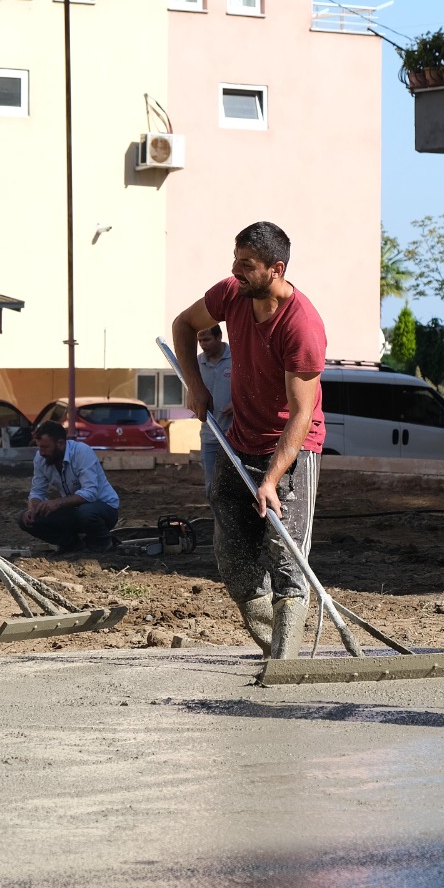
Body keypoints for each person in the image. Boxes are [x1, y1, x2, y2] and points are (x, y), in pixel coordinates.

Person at [171, 221, 327, 659]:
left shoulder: (302, 327)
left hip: (291, 449)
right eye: (234, 261)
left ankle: (286, 660)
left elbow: (301, 415)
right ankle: (273, 649)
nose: (235, 271)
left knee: (285, 555)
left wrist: (272, 478)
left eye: (247, 265)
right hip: (238, 440)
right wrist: (195, 384)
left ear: (276, 269)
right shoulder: (231, 293)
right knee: (233, 552)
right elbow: (183, 324)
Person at [17, 420, 120, 554]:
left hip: (103, 509)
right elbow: (37, 491)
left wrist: (57, 503)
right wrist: (32, 509)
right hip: (74, 511)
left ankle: (103, 542)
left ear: (60, 443)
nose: (41, 452)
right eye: (39, 447)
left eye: (45, 447)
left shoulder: (82, 452)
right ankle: (71, 544)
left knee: (86, 511)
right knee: (24, 519)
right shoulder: (41, 458)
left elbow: (90, 493)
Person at [196, 324, 233, 496]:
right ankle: (218, 522)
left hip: (235, 436)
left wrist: (237, 404)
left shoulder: (237, 357)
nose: (203, 344)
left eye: (207, 339)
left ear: (219, 337)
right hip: (209, 435)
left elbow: (253, 388)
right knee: (212, 488)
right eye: (200, 341)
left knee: (235, 484)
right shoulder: (198, 363)